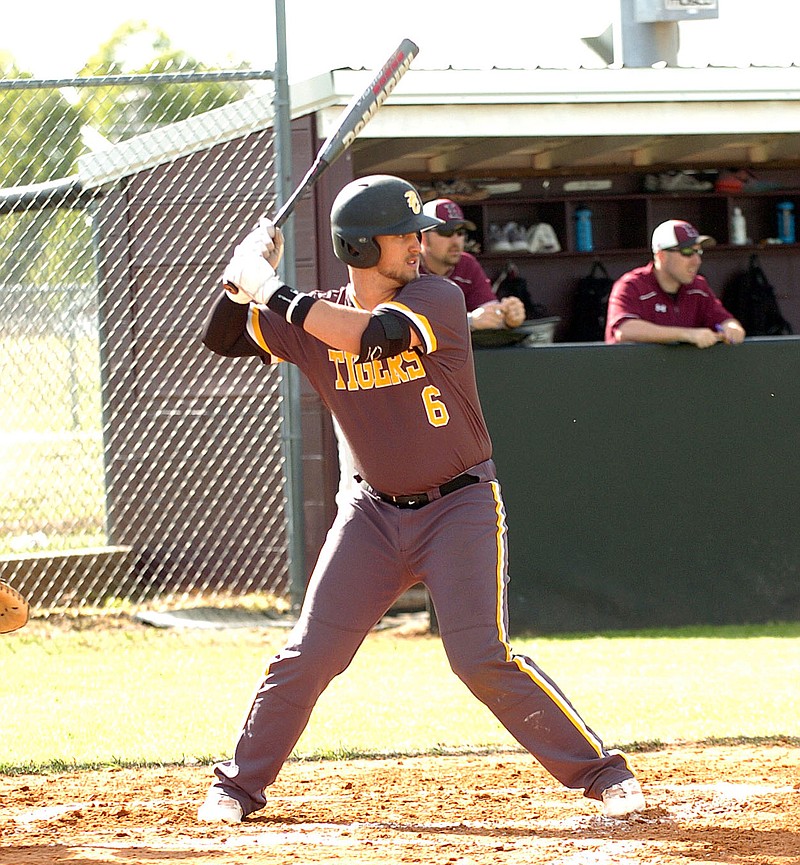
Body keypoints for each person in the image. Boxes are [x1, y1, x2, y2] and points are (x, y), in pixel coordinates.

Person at [198, 174, 645, 825]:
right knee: (308, 655)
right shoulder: (311, 313)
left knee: (479, 658)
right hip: (371, 515)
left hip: (459, 507)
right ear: (359, 246)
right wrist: (238, 283)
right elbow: (225, 338)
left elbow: (371, 336)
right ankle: (237, 787)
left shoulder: (436, 295)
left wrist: (271, 289)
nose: (420, 243)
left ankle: (603, 772)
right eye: (404, 233)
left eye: (419, 232)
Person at [605, 219, 746, 347]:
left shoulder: (698, 287)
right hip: (634, 373)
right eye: (687, 252)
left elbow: (724, 320)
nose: (697, 261)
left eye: (698, 251)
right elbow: (624, 330)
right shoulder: (631, 286)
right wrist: (687, 335)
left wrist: (732, 328)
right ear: (661, 256)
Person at [419, 198, 526, 331]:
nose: (456, 241)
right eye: (446, 232)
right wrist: (469, 321)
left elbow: (488, 311)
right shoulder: (408, 266)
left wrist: (507, 317)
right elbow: (411, 323)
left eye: (460, 233)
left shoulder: (467, 263)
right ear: (423, 238)